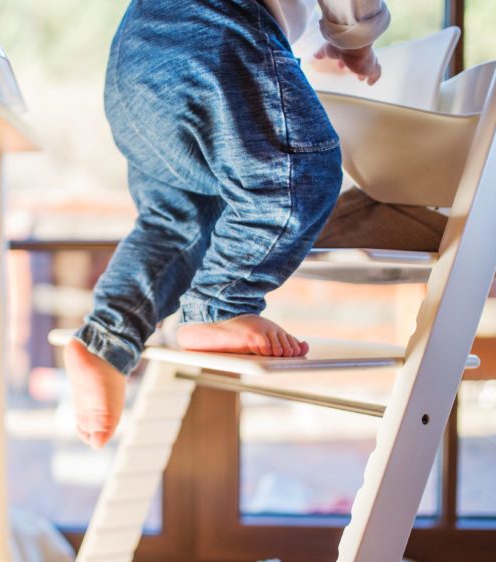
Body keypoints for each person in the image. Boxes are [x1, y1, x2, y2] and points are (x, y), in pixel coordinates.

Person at [65, 0, 390, 449]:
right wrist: (355, 40)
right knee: (295, 172)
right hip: (216, 34)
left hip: (132, 64)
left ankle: (107, 337)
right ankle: (222, 304)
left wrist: (320, 40)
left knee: (177, 222)